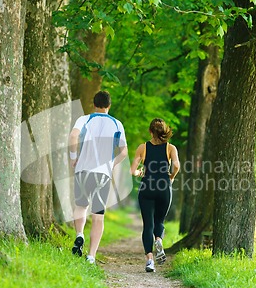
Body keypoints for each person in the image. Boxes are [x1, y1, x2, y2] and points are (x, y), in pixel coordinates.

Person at [69, 91, 128, 264]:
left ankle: (79, 235)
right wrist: (111, 164)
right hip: (103, 173)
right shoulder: (117, 124)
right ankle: (91, 256)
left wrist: (74, 158)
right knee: (98, 215)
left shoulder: (85, 119)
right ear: (109, 106)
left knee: (80, 206)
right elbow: (124, 152)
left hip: (82, 170)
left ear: (93, 104)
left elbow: (73, 136)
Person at [130, 118, 180, 272]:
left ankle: (150, 261)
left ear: (150, 131)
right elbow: (176, 165)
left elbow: (133, 171)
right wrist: (171, 177)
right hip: (164, 187)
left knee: (148, 225)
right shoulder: (170, 148)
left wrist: (140, 173)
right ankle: (158, 239)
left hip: (147, 187)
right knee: (160, 220)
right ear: (164, 131)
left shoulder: (143, 147)